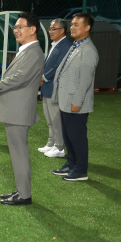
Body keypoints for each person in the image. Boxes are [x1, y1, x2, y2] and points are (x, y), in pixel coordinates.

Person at [0, 12, 44, 205]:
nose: (16, 31)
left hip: (18, 111)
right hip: (16, 110)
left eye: (20, 27)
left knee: (19, 154)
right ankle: (21, 191)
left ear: (33, 29)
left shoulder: (34, 52)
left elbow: (19, 77)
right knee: (17, 153)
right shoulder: (27, 50)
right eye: (15, 27)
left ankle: (24, 195)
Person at [51, 13, 99, 182]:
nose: (72, 27)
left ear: (87, 28)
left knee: (77, 137)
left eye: (77, 24)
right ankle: (71, 164)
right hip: (66, 100)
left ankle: (80, 170)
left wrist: (77, 102)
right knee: (69, 136)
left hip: (76, 103)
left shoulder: (88, 51)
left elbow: (85, 80)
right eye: (72, 24)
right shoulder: (76, 46)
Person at [38, 19, 71, 159]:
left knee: (56, 119)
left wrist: (43, 77)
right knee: (49, 118)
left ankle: (59, 147)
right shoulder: (55, 45)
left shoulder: (66, 46)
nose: (50, 31)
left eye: (53, 29)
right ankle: (51, 143)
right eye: (50, 29)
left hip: (55, 88)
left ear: (62, 30)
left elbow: (59, 66)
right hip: (47, 88)